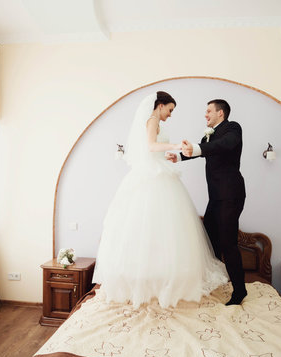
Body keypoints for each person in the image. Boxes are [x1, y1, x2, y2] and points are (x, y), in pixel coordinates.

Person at [92, 91, 229, 309]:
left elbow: (154, 149)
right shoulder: (152, 120)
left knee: (163, 228)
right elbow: (151, 146)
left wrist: (173, 153)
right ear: (160, 106)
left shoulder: (155, 121)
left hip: (159, 171)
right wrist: (175, 146)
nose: (171, 114)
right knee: (151, 225)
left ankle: (162, 282)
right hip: (151, 177)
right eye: (170, 109)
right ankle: (148, 286)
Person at [167, 99, 247, 305]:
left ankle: (240, 291)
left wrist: (197, 148)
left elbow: (223, 145)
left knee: (228, 243)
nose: (206, 114)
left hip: (231, 195)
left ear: (221, 113)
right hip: (216, 198)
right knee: (209, 241)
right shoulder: (208, 135)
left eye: (209, 111)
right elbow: (202, 149)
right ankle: (216, 282)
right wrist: (179, 158)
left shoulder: (232, 128)